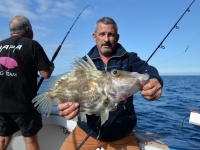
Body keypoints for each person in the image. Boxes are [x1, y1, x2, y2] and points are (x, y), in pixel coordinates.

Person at [57, 17, 163, 150]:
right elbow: (70, 88)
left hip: (122, 135)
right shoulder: (84, 64)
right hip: (85, 130)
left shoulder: (129, 59)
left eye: (111, 34)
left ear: (117, 37)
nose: (106, 39)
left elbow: (147, 69)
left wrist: (155, 80)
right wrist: (63, 105)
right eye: (102, 34)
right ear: (94, 37)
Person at [0, 15, 54, 150]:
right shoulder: (32, 45)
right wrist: (51, 66)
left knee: (3, 139)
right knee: (30, 140)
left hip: (1, 105)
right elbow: (45, 74)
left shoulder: (0, 45)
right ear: (28, 29)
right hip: (24, 105)